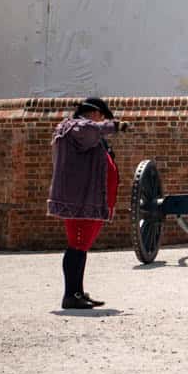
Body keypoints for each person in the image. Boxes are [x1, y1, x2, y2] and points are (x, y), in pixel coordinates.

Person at [47, 97, 129, 310]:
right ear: (93, 113)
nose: (101, 122)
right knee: (77, 245)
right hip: (79, 200)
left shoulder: (82, 130)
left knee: (81, 247)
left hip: (87, 200)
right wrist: (115, 126)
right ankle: (70, 295)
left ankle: (78, 292)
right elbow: (89, 129)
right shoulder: (75, 127)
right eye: (102, 117)